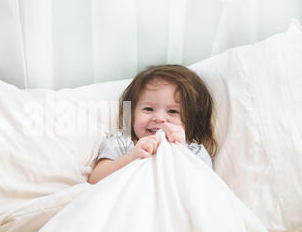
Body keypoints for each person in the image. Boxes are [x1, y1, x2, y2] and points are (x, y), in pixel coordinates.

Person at [88, 64, 217, 185]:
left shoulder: (195, 151)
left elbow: (205, 186)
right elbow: (95, 178)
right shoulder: (122, 143)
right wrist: (132, 157)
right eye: (148, 109)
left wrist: (180, 151)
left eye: (173, 111)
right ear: (131, 114)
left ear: (192, 119)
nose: (159, 118)